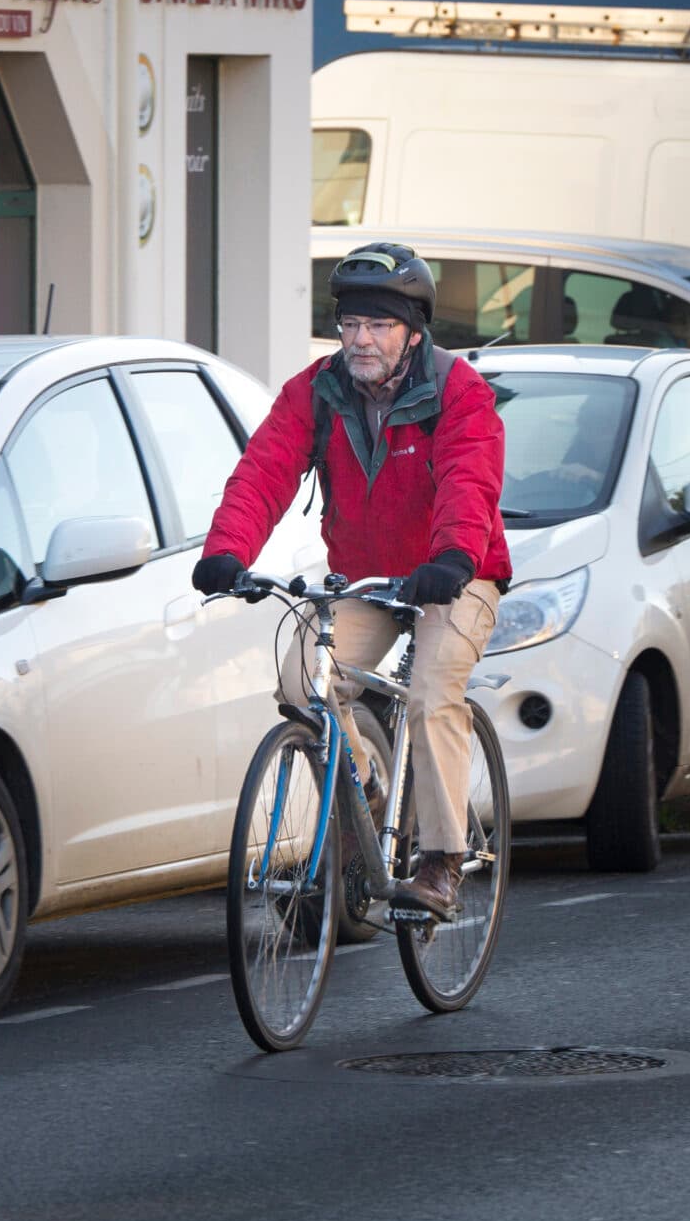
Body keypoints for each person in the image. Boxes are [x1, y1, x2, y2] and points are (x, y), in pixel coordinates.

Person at [191, 243, 511, 921]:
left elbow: (469, 481)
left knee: (430, 690)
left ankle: (441, 858)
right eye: (351, 324)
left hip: (458, 572)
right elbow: (264, 471)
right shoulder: (317, 390)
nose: (361, 339)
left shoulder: (457, 390)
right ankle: (365, 783)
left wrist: (453, 556)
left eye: (380, 325)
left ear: (413, 332)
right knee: (301, 678)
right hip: (370, 577)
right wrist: (226, 551)